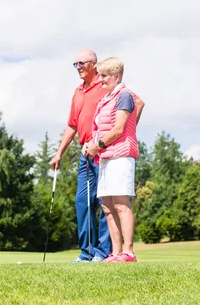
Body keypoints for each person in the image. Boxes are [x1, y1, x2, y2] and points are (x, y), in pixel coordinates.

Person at [50, 50, 144, 263]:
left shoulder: (108, 88)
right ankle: (88, 252)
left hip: (106, 149)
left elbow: (137, 105)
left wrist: (123, 136)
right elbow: (72, 125)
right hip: (87, 150)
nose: (78, 67)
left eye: (81, 63)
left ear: (94, 64)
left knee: (110, 201)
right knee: (85, 201)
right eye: (75, 64)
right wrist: (59, 153)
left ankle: (105, 252)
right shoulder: (78, 92)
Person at [84, 57, 139, 263]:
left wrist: (98, 146)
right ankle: (115, 253)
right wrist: (91, 144)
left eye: (105, 76)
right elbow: (100, 129)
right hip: (105, 156)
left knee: (121, 204)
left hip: (121, 155)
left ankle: (129, 252)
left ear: (116, 76)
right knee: (107, 206)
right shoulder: (105, 99)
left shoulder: (124, 96)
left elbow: (118, 129)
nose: (101, 80)